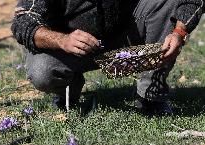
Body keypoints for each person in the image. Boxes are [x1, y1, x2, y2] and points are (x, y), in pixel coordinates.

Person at [11, 0, 204, 115]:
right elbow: (23, 21)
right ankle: (69, 89)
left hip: (124, 33)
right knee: (42, 71)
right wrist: (63, 40)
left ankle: (151, 96)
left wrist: (179, 31)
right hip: (70, 46)